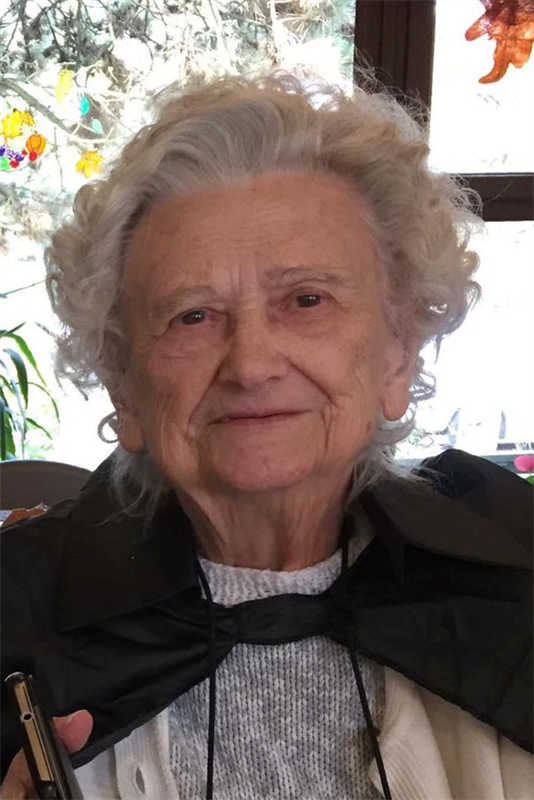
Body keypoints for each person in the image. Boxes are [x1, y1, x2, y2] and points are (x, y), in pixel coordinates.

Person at [1, 71, 533, 800]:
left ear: (398, 354)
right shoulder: (14, 610)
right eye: (192, 315)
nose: (251, 364)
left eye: (306, 299)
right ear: (125, 387)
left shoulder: (516, 570)